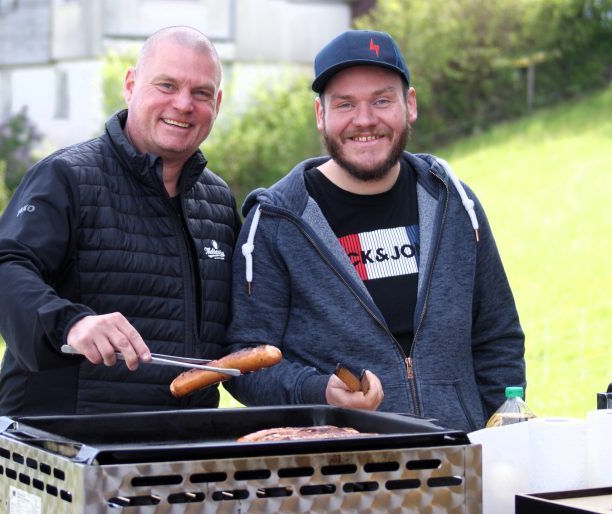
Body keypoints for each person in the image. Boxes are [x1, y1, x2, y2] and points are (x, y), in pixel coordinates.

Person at [223, 29, 525, 432]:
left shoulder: (455, 204)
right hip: (340, 477)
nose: (365, 120)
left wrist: (501, 438)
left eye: (381, 100)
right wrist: (320, 391)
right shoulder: (277, 223)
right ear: (321, 115)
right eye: (345, 104)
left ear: (410, 105)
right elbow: (246, 364)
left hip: (459, 461)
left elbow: (498, 336)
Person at [0, 26, 240, 418]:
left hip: (184, 449)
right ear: (131, 86)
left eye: (201, 93)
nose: (183, 104)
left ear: (217, 102)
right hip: (67, 446)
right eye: (166, 85)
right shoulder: (66, 177)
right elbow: (3, 269)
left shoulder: (218, 203)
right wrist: (71, 324)